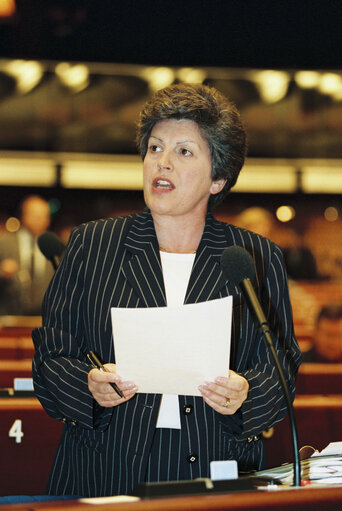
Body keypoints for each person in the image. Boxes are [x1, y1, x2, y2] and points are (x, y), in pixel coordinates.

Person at [32, 83, 302, 497]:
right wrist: (86, 384)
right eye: (155, 148)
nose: (163, 163)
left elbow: (280, 367)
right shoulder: (93, 245)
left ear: (218, 178)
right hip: (104, 465)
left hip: (217, 465)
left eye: (184, 151)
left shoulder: (254, 255)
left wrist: (246, 395)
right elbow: (49, 358)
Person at [0, 195, 54, 315]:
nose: (39, 219)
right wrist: (2, 272)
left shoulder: (55, 247)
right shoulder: (4, 244)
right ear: (22, 215)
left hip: (42, 319)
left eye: (44, 215)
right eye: (34, 214)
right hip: (8, 318)